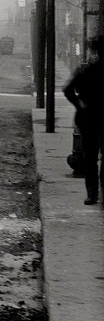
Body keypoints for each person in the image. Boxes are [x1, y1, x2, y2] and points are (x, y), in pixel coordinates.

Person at [63, 36, 103, 205]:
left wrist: (80, 106)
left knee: (90, 158)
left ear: (94, 51)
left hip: (89, 119)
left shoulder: (86, 70)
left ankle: (92, 194)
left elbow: (67, 90)